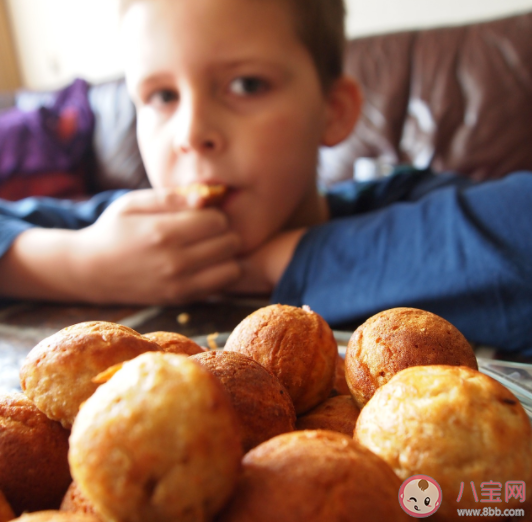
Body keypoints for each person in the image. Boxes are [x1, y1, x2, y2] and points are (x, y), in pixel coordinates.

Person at [0, 0, 531, 356]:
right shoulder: (135, 228)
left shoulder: (404, 204)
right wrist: (80, 264)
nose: (192, 132)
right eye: (162, 96)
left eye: (246, 84)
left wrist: (264, 262)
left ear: (332, 110)